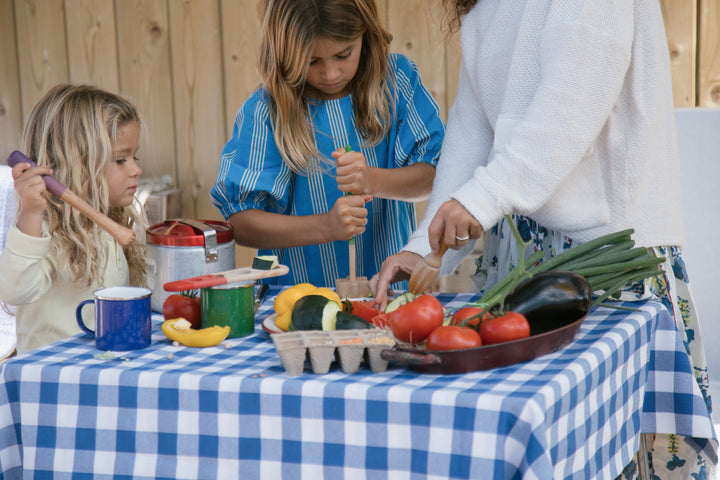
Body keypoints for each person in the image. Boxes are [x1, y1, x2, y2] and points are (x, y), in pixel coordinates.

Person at [370, 1, 714, 479]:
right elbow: (473, 128)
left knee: (627, 450)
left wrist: (481, 199)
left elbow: (569, 109)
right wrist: (424, 249)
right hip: (521, 254)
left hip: (604, 254)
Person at [211, 0, 444, 288]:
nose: (331, 73)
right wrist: (326, 226)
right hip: (296, 305)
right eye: (312, 61)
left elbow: (433, 177)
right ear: (284, 52)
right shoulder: (267, 112)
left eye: (343, 54)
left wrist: (371, 179)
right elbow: (241, 223)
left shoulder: (397, 84)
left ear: (366, 34)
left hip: (390, 298)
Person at [0, 84, 147, 354]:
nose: (136, 169)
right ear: (77, 164)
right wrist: (30, 214)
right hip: (51, 379)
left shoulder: (111, 222)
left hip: (102, 371)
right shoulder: (45, 229)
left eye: (134, 156)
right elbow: (15, 291)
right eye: (120, 160)